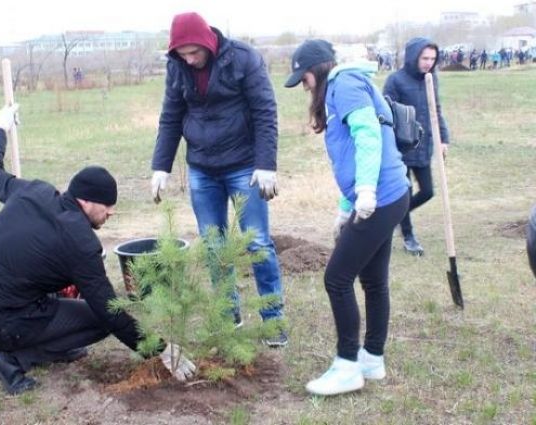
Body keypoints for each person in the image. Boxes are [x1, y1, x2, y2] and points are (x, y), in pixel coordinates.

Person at [0, 104, 195, 395]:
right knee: (96, 321)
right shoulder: (79, 242)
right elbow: (108, 311)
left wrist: (2, 126)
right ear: (87, 202)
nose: (111, 212)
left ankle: (55, 344)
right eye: (107, 205)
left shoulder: (33, 191)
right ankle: (9, 359)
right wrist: (159, 349)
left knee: (48, 288)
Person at [149, 12, 286, 346]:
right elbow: (171, 116)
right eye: (183, 55)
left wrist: (265, 163)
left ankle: (273, 320)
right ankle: (228, 314)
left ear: (208, 42)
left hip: (244, 166)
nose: (190, 60)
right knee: (213, 245)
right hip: (202, 168)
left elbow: (265, 110)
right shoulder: (177, 67)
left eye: (194, 52)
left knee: (257, 243)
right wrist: (161, 166)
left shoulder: (242, 58)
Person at [285, 40, 409, 395]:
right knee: (373, 280)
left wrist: (367, 191)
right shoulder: (343, 87)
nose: (304, 86)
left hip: (382, 196)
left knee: (337, 278)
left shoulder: (345, 85)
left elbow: (368, 135)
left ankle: (347, 366)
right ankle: (372, 358)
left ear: (318, 69)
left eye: (304, 77)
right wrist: (346, 206)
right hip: (389, 193)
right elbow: (350, 158)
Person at [383, 37, 450, 256]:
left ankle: (394, 217)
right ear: (414, 57)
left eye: (432, 58)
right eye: (424, 58)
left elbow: (436, 110)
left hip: (424, 146)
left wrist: (443, 139)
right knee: (404, 193)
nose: (428, 62)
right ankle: (409, 236)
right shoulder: (396, 80)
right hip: (400, 148)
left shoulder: (432, 79)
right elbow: (386, 113)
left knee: (428, 191)